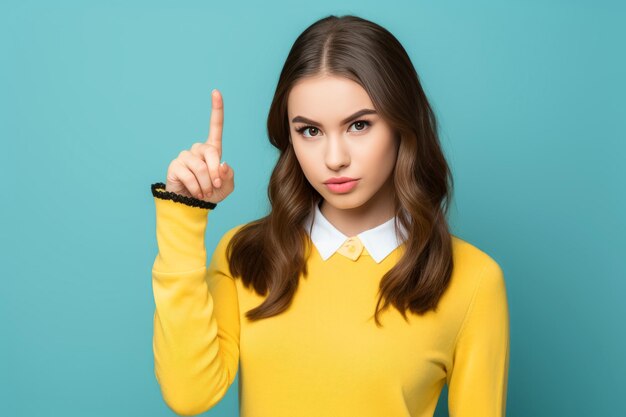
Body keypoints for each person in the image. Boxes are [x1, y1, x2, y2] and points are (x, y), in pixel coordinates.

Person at [150, 14, 510, 417]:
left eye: (359, 125)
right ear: (289, 136)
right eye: (310, 131)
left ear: (400, 125)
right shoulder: (246, 254)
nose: (334, 159)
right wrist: (184, 212)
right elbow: (189, 395)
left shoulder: (473, 280)